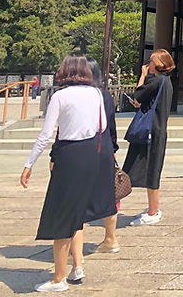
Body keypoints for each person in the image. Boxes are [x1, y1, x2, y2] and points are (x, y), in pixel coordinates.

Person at [20, 55, 109, 292]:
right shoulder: (96, 94)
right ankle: (76, 265)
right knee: (76, 211)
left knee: (61, 213)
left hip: (69, 154)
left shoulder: (60, 96)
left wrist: (29, 163)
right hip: (91, 152)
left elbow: (45, 135)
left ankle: (58, 278)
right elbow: (102, 127)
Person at [123, 49, 175, 224]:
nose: (148, 64)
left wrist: (143, 75)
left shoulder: (155, 81)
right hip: (159, 130)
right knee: (153, 168)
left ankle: (153, 212)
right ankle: (153, 208)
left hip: (151, 131)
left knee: (152, 170)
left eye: (151, 61)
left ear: (158, 64)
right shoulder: (166, 81)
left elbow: (137, 96)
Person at [83, 59, 120, 253]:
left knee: (76, 195)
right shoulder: (105, 95)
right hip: (104, 146)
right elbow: (111, 124)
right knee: (108, 194)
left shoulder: (76, 96)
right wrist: (113, 147)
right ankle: (110, 238)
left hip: (81, 148)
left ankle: (72, 246)